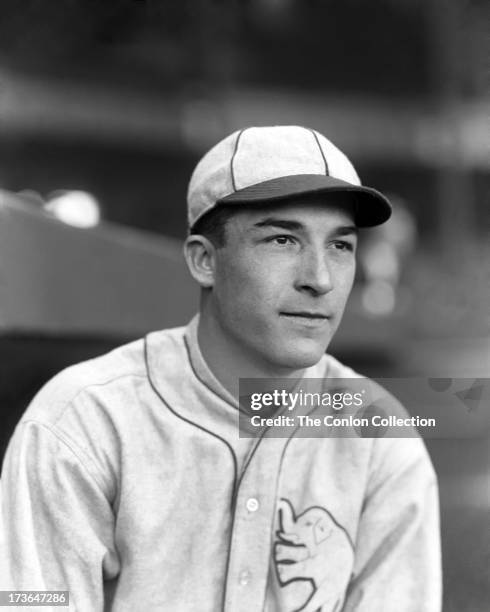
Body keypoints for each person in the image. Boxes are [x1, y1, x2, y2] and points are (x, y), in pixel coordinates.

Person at [1, 126, 441, 611]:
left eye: (340, 246)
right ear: (204, 260)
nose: (319, 279)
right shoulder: (82, 421)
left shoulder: (381, 436)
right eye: (282, 240)